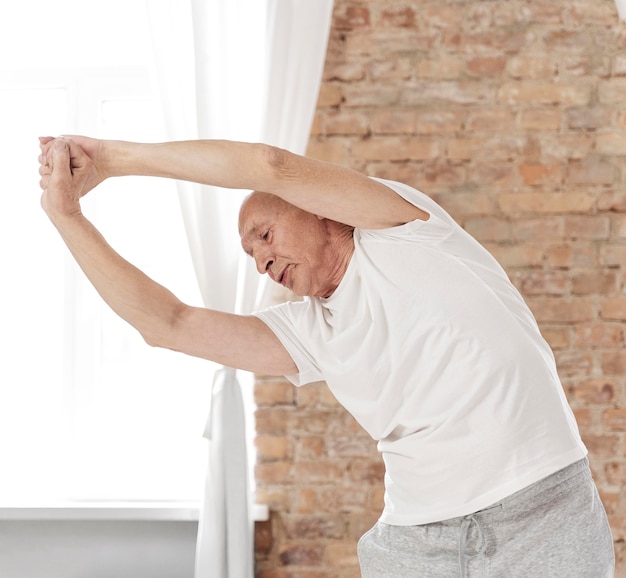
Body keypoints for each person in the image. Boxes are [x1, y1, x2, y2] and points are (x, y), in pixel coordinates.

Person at [38, 135, 615, 577]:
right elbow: (168, 323)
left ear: (315, 208)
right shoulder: (311, 330)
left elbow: (270, 166)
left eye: (263, 233)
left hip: (541, 518)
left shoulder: (404, 228)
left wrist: (111, 158)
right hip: (416, 546)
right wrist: (67, 217)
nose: (260, 260)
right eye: (249, 254)